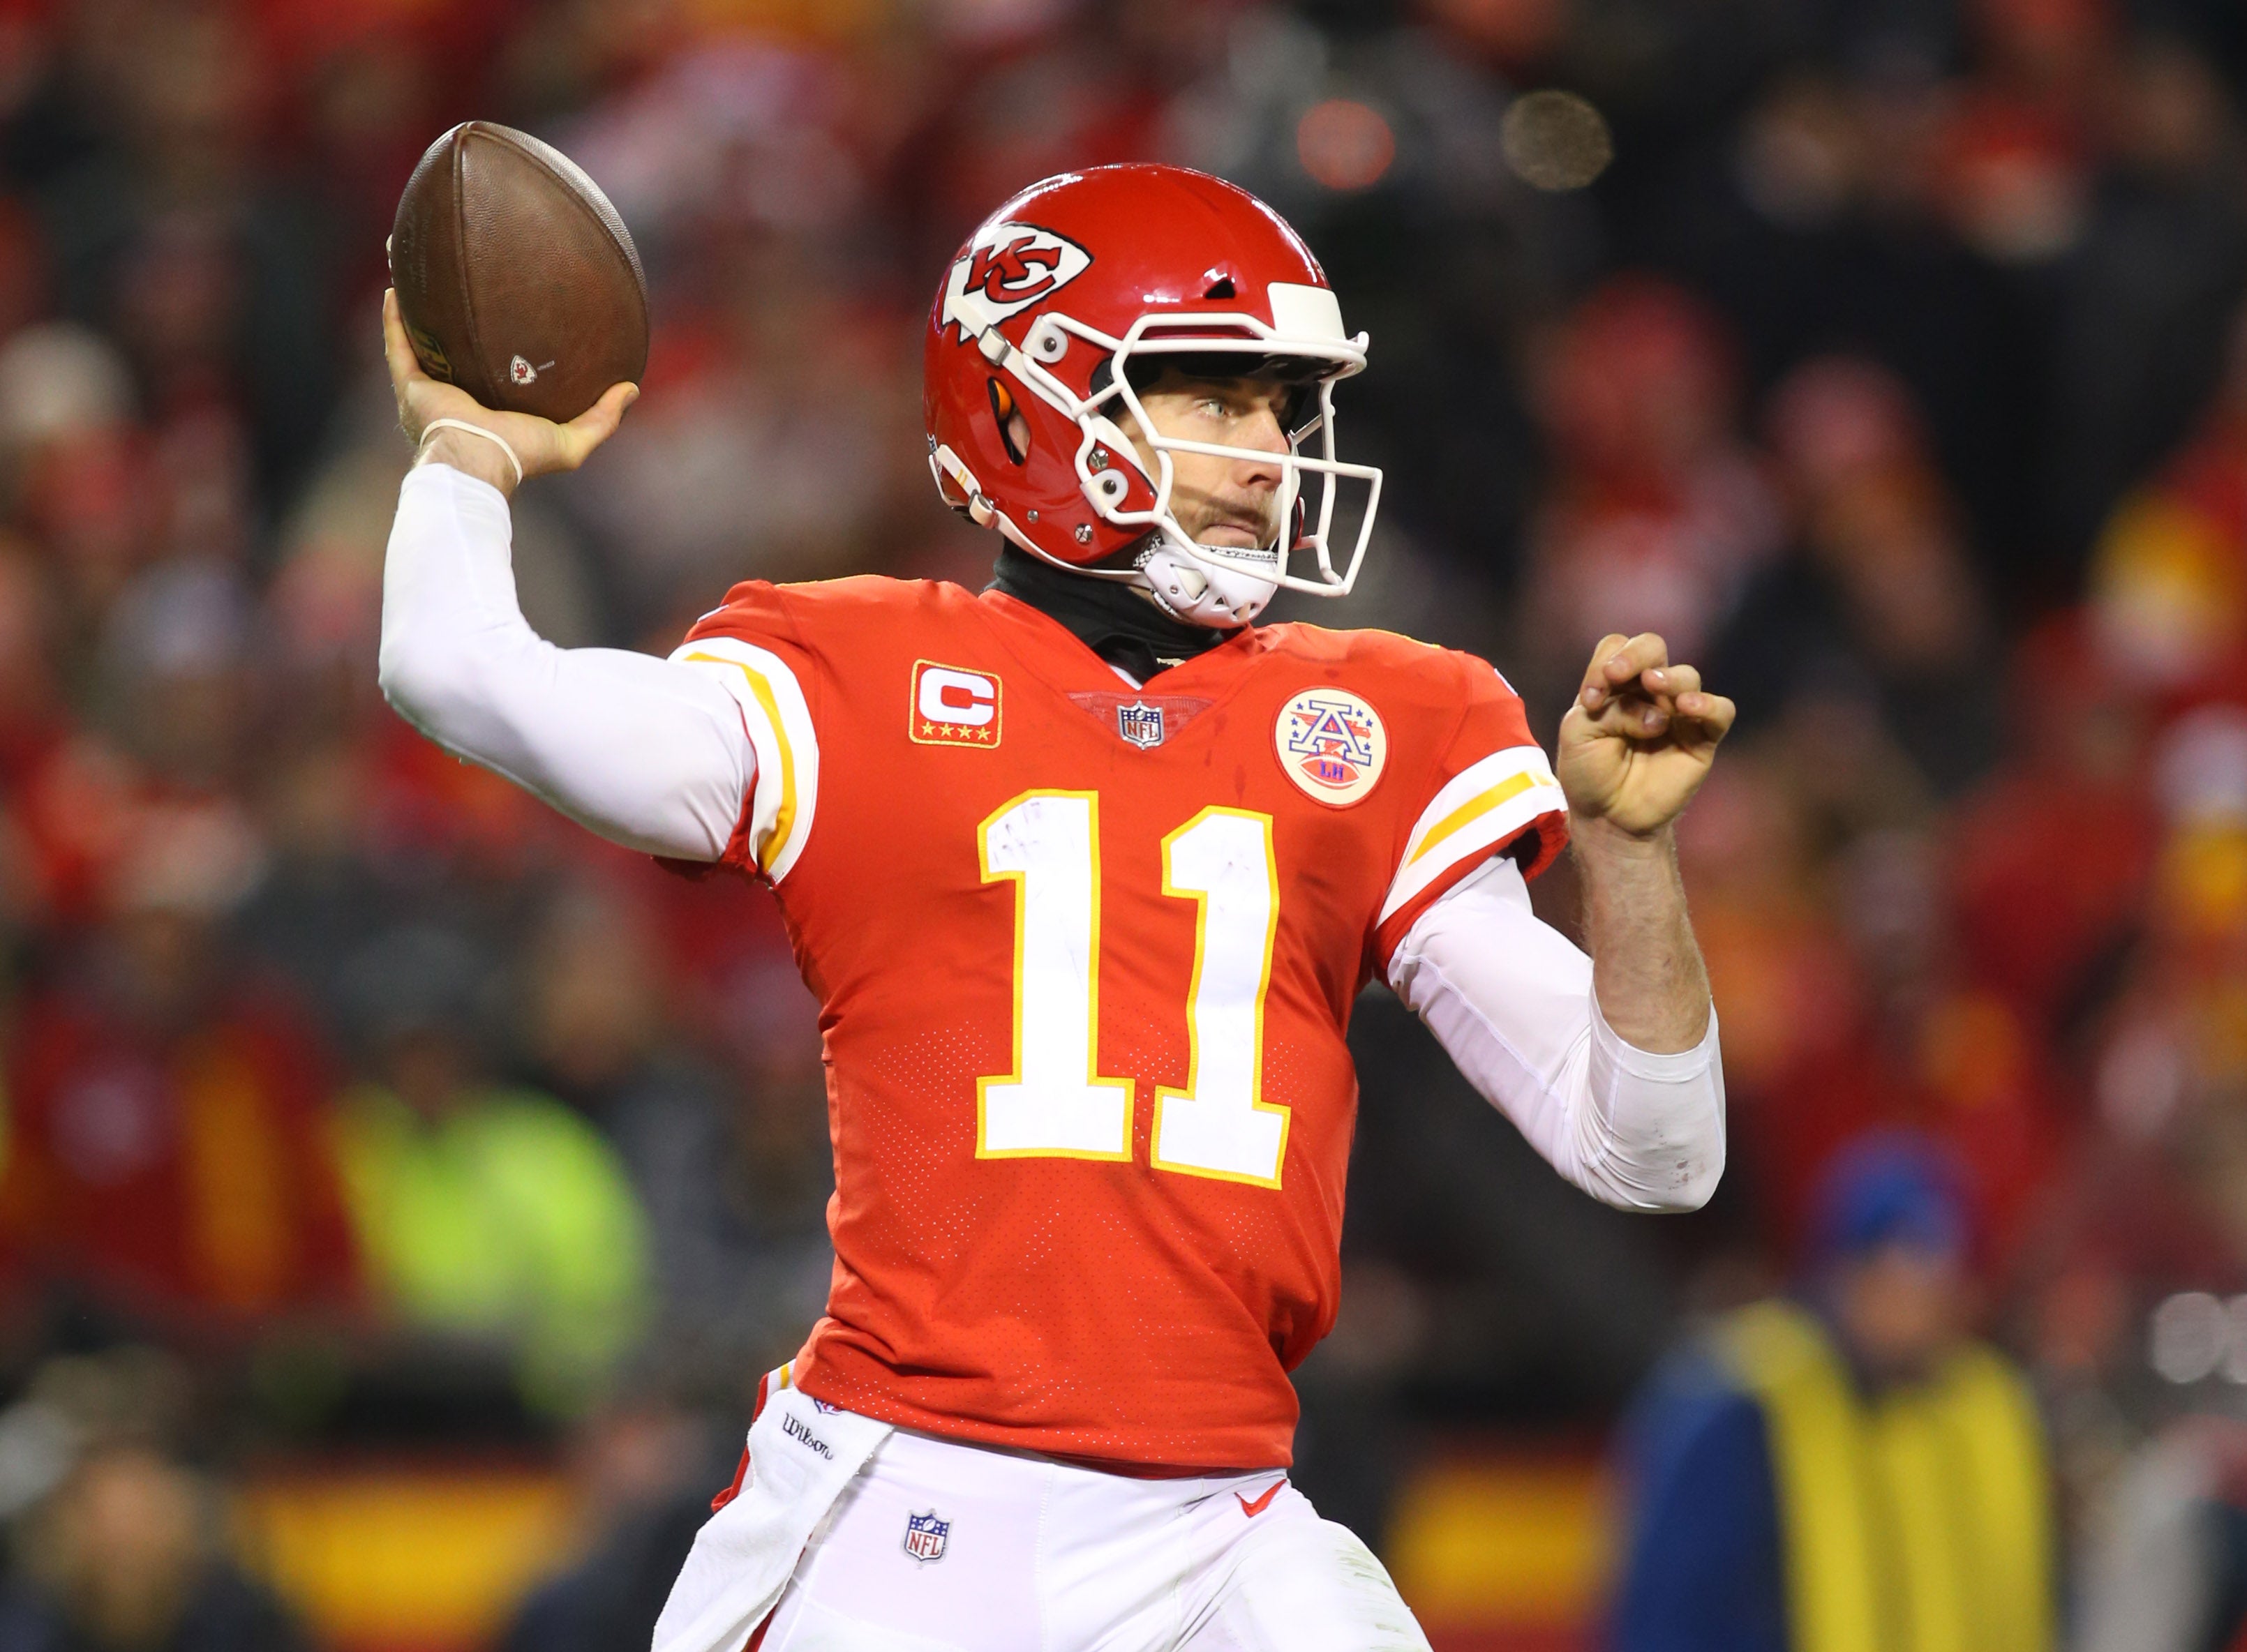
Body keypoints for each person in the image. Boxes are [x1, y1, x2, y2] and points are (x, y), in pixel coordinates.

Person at [376, 163, 1731, 1652]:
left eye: (1280, 406)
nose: (1269, 451)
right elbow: (459, 669)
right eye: (1211, 396)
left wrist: (1624, 856)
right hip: (918, 1495)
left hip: (1224, 1516)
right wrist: (465, 447)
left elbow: (1652, 1151)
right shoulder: (852, 675)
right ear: (1027, 411)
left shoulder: (1384, 720)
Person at [1608, 1134, 2054, 1652]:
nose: (1910, 1309)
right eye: (1888, 1279)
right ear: (1836, 1273)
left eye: (1935, 1284)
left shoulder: (1990, 1405)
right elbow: (1673, 1613)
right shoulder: (1743, 1403)